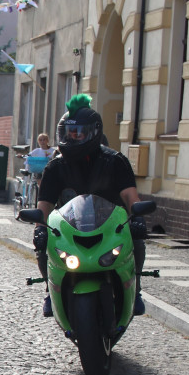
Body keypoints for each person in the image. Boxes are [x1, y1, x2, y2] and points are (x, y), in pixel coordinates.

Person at [34, 94, 145, 317]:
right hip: (67, 229)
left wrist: (138, 215)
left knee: (137, 240)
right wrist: (38, 225)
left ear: (93, 132)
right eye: (68, 132)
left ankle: (137, 287)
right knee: (42, 244)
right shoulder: (56, 167)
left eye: (78, 132)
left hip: (111, 229)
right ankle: (50, 288)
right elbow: (44, 204)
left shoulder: (114, 161)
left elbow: (131, 196)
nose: (72, 137)